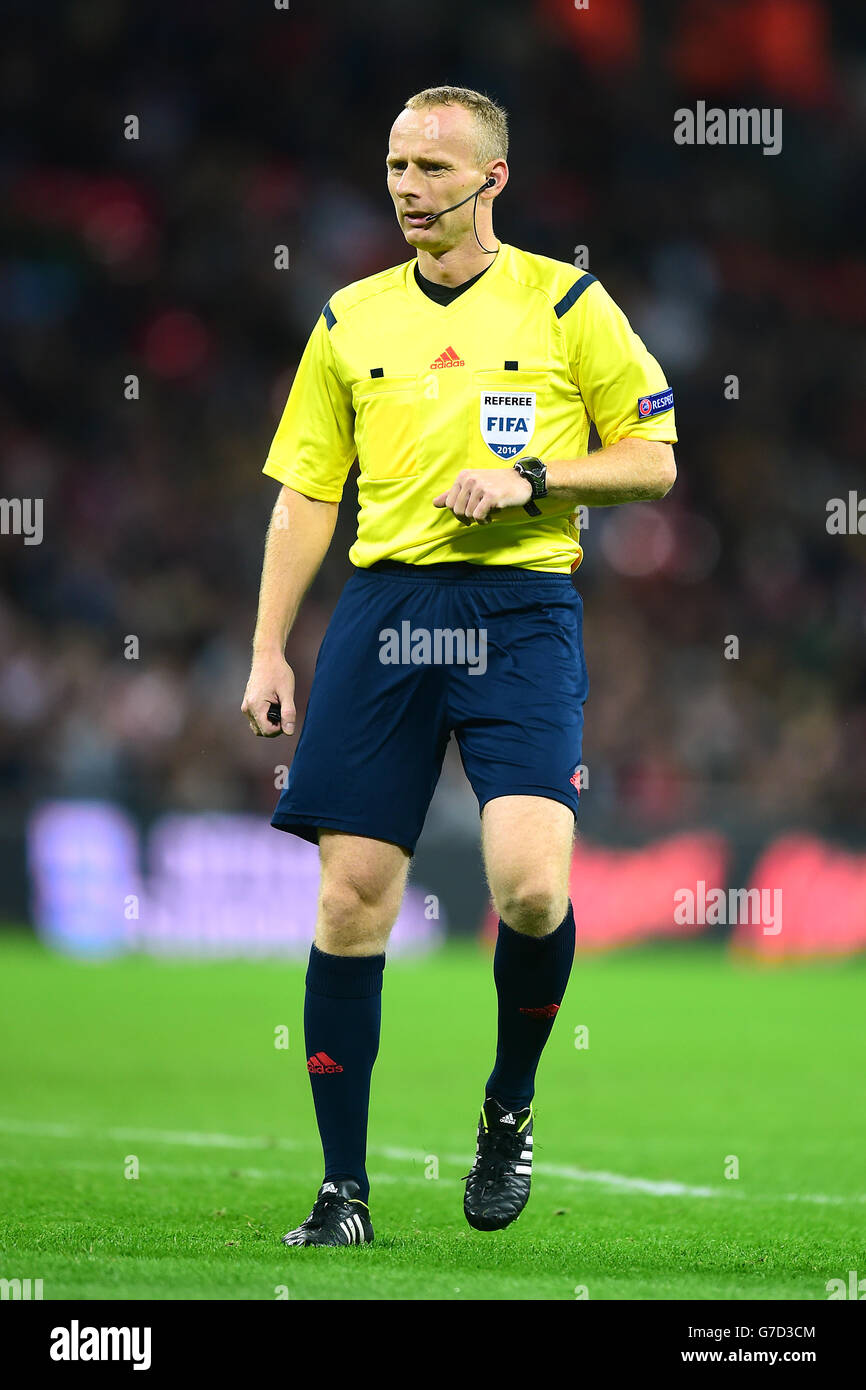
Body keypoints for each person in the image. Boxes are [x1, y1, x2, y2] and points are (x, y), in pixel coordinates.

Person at [241, 85, 677, 1246]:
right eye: (393, 167)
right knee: (348, 901)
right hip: (384, 612)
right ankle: (342, 1193)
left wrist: (534, 477)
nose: (405, 189)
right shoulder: (346, 320)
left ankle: (509, 1100)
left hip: (518, 608)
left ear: (491, 180)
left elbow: (652, 457)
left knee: (530, 885)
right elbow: (304, 494)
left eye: (431, 170)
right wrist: (268, 645)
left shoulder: (567, 302)